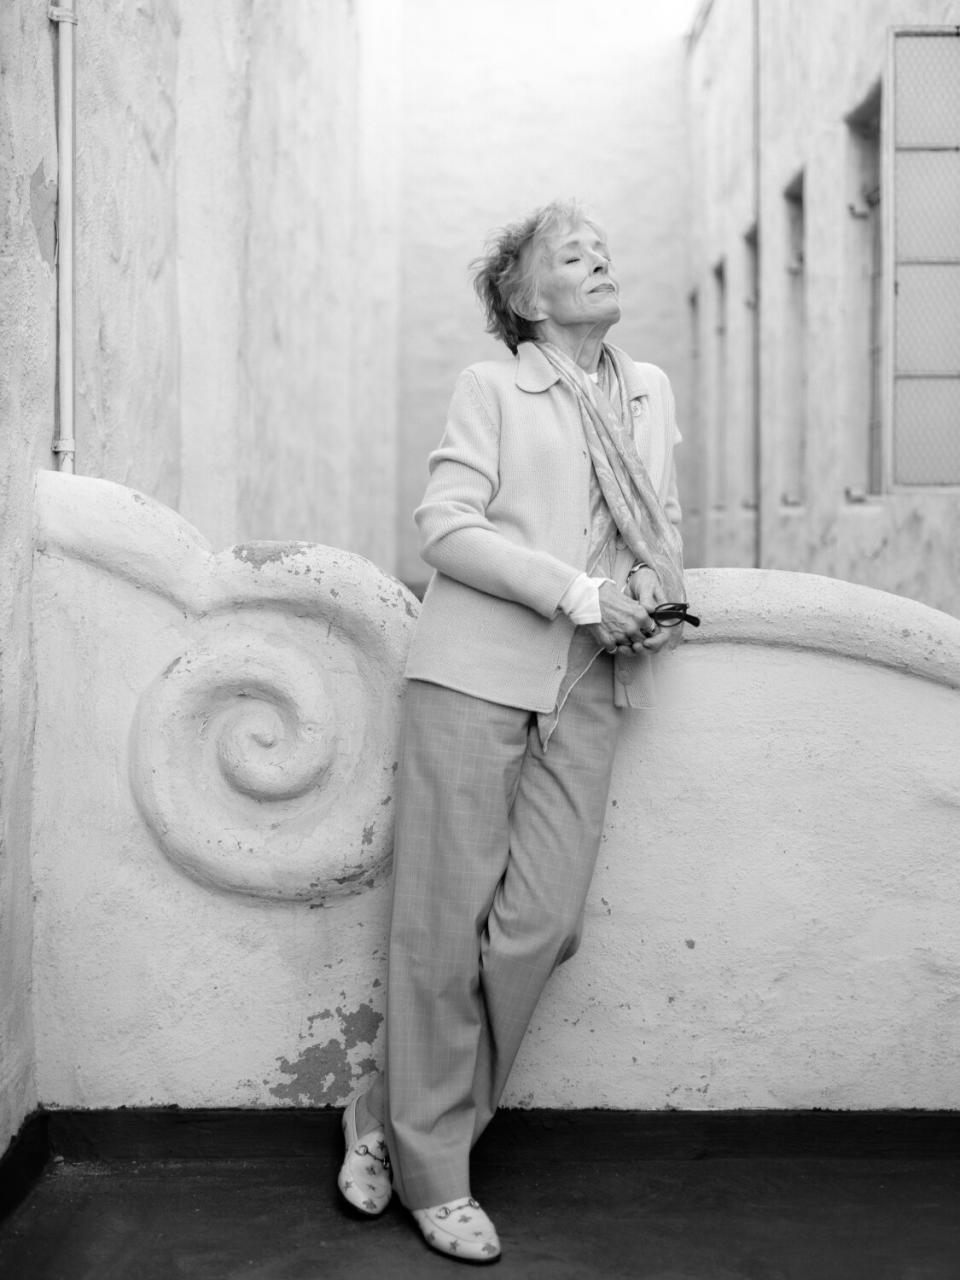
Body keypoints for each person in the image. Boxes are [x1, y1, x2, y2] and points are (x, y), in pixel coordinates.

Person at [337, 199, 690, 1264]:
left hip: (589, 679)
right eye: (567, 253)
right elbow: (446, 525)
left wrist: (642, 597)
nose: (595, 256)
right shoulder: (495, 386)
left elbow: (659, 523)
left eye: (602, 245)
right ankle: (437, 1175)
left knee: (541, 925)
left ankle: (380, 1121)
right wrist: (578, 589)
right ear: (528, 301)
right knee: (441, 932)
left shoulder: (648, 390)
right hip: (473, 674)